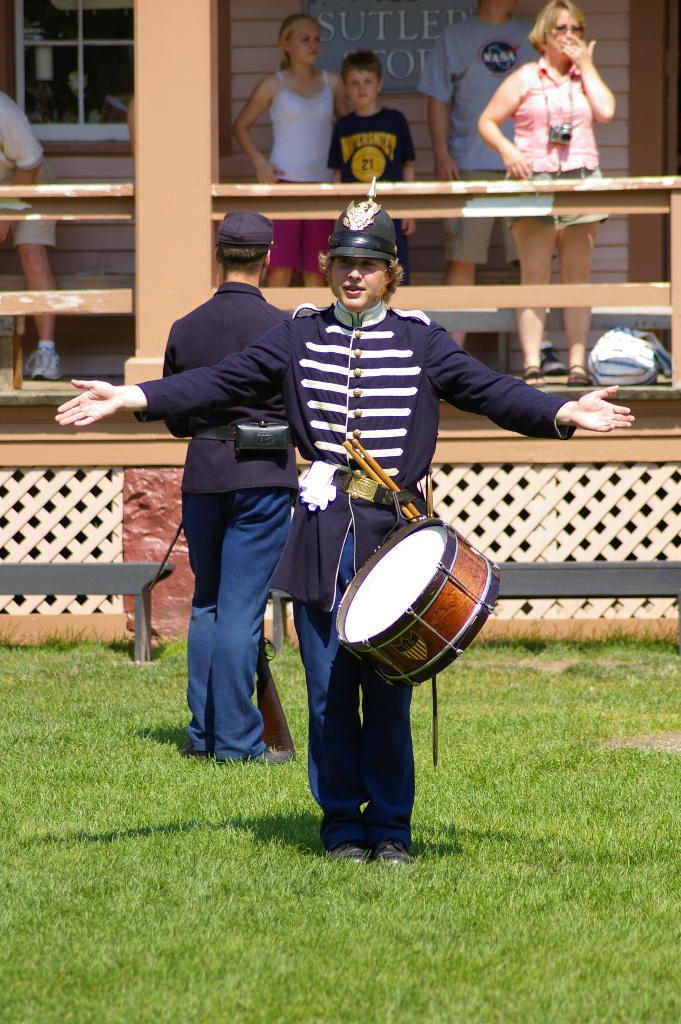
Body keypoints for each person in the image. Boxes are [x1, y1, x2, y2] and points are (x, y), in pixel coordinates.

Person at [55, 189, 634, 864]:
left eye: (368, 263)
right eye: (342, 262)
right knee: (328, 692)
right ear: (327, 267)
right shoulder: (297, 334)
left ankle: (390, 827)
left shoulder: (421, 341)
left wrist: (562, 411)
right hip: (323, 536)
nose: (353, 274)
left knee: (387, 693)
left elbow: (490, 389)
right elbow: (220, 381)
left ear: (391, 272)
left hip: (394, 539)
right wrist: (133, 396)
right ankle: (339, 827)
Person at [163, 211, 298, 763]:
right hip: (261, 479)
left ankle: (202, 735)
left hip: (203, 474)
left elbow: (174, 418)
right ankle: (239, 743)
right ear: (268, 257)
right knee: (243, 611)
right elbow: (302, 409)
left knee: (208, 606)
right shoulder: (284, 326)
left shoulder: (185, 326)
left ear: (218, 256)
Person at [478, 0, 615, 386]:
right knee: (534, 276)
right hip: (533, 183)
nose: (570, 36)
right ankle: (533, 364)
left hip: (581, 179)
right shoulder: (524, 77)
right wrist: (508, 151)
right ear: (543, 35)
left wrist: (586, 66)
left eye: (576, 29)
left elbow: (606, 111)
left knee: (576, 277)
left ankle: (576, 364)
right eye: (561, 29)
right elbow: (487, 121)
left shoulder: (583, 76)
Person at [417, 0, 535, 346]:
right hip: (469, 166)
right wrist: (441, 153)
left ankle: (536, 351)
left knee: (531, 263)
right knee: (463, 258)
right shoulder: (456, 37)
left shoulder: (531, 35)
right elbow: (438, 98)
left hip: (526, 170)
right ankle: (452, 350)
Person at [232, 13, 348, 287]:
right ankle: (277, 330)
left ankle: (312, 331)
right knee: (279, 269)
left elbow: (347, 131)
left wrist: (343, 175)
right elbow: (240, 126)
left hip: (322, 185)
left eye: (317, 39)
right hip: (282, 184)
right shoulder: (274, 85)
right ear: (287, 45)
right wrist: (259, 162)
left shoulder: (332, 83)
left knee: (317, 271)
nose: (313, 45)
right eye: (305, 39)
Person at [328, 50, 416, 282]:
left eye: (367, 81)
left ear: (379, 84)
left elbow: (407, 165)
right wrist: (336, 213)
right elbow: (337, 172)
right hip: (354, 213)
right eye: (354, 83)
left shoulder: (395, 120)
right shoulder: (343, 126)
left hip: (392, 209)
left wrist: (410, 209)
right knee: (358, 263)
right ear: (346, 88)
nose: (361, 88)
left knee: (396, 265)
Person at [0, 89, 60, 380]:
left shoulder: (5, 114)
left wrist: (6, 215)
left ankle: (47, 352)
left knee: (31, 252)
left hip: (31, 179)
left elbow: (31, 163)